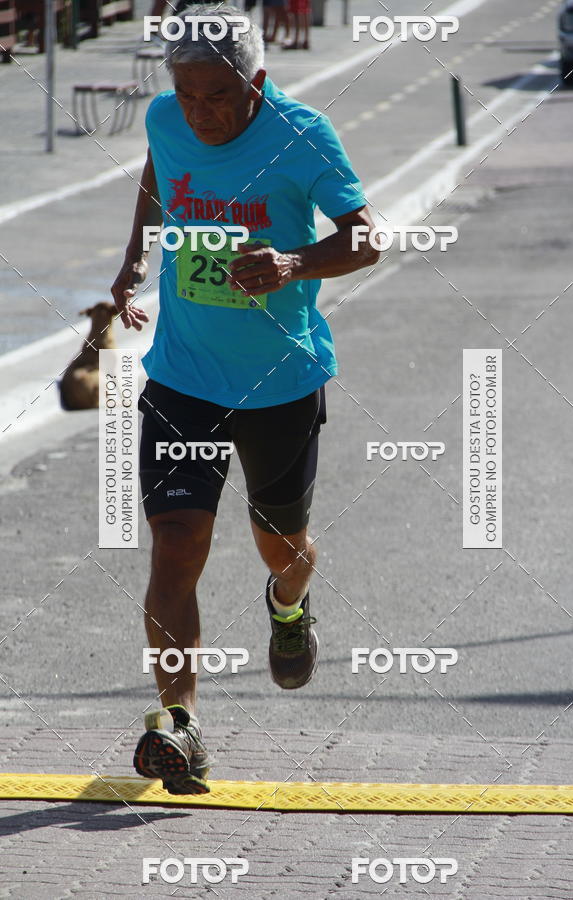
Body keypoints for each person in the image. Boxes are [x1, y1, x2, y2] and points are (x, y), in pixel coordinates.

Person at [111, 3, 378, 796]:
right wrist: (135, 260)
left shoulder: (302, 136)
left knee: (282, 547)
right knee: (176, 543)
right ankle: (181, 726)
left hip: (278, 383)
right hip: (183, 376)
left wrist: (293, 263)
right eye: (186, 94)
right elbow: (160, 171)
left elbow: (366, 237)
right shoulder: (167, 118)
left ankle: (290, 608)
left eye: (217, 96)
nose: (200, 112)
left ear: (255, 82)